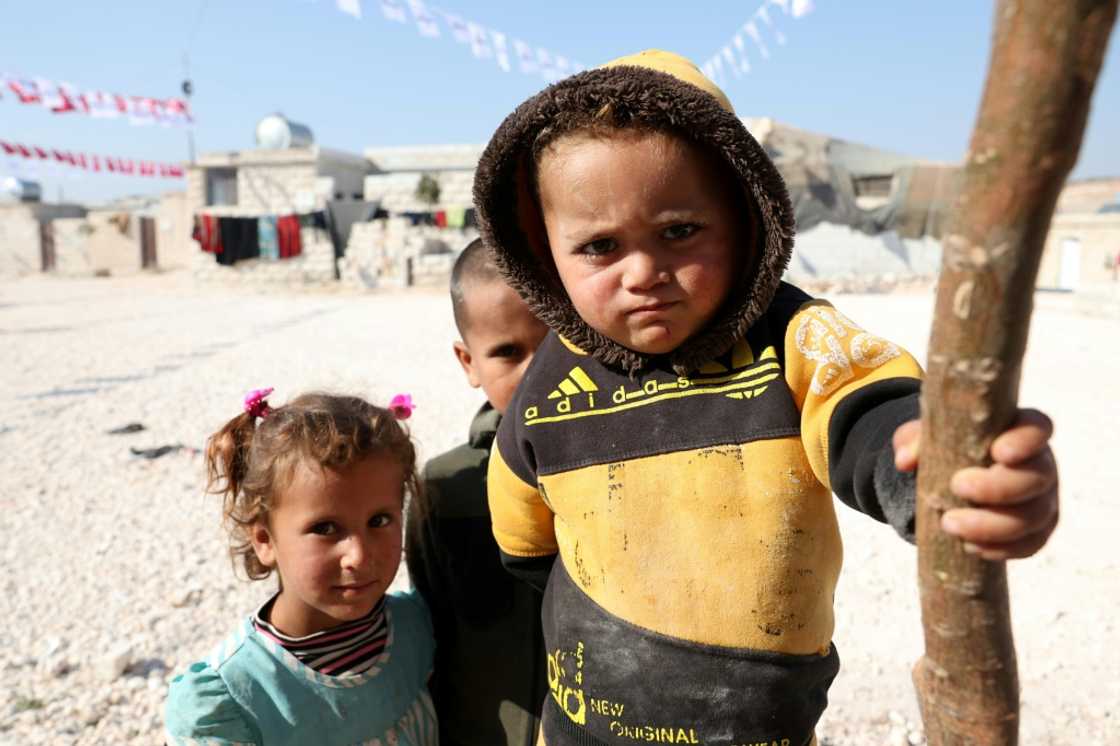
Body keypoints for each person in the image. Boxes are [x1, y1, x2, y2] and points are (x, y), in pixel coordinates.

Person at [473, 50, 1061, 745]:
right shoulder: (552, 379)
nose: (643, 273)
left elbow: (871, 413)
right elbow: (523, 535)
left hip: (757, 725)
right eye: (600, 246)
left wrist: (946, 474)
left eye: (679, 232)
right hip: (581, 727)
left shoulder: (793, 341)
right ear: (545, 254)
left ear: (746, 217)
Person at [164, 389, 437, 745]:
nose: (359, 555)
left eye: (380, 520)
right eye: (325, 529)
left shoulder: (415, 627)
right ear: (264, 539)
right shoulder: (235, 697)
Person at [405, 238, 550, 746]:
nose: (537, 371)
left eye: (554, 343)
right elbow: (429, 625)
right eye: (508, 352)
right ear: (468, 361)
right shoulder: (446, 488)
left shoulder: (618, 467)